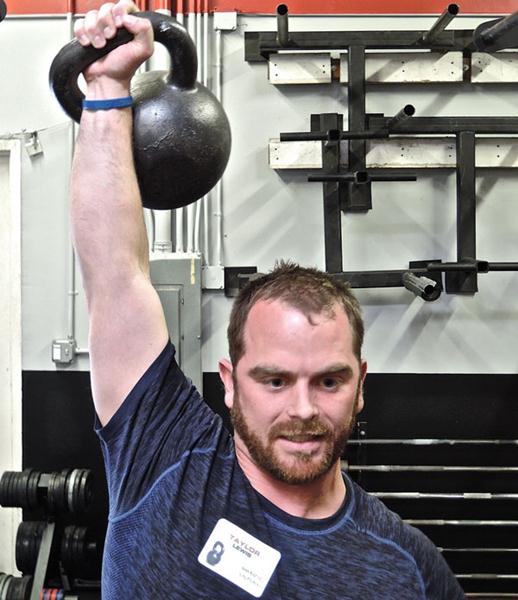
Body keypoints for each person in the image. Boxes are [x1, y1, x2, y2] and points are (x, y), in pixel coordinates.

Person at [71, 1, 465, 598]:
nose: (303, 408)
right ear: (229, 381)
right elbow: (114, 273)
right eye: (274, 380)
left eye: (328, 381)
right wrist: (105, 87)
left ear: (361, 382)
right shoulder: (164, 456)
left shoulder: (406, 568)